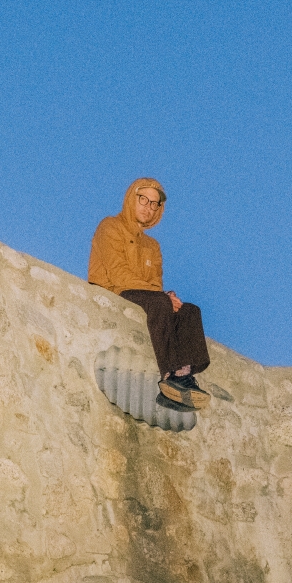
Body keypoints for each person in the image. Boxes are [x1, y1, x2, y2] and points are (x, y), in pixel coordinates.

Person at [87, 177, 211, 415]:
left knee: (189, 311)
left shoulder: (152, 246)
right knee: (161, 301)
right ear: (131, 198)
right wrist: (161, 295)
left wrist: (167, 297)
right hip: (114, 290)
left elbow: (154, 283)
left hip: (145, 295)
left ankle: (183, 376)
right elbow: (118, 274)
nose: (148, 207)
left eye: (154, 204)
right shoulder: (110, 226)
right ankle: (169, 375)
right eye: (143, 199)